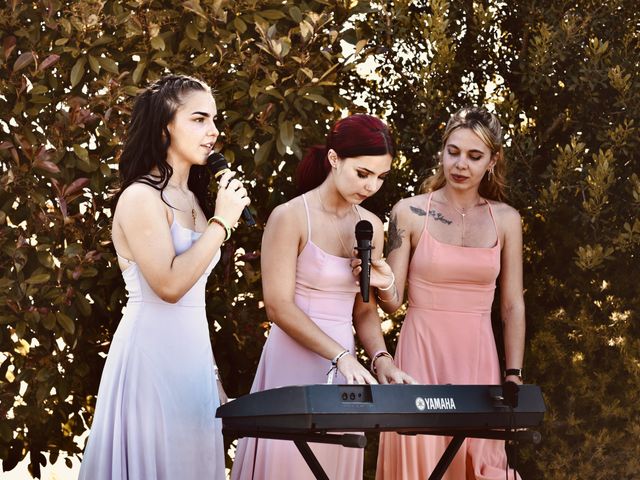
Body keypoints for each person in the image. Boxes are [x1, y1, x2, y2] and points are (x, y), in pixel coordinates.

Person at [79, 74, 250, 480]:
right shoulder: (140, 198)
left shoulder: (195, 200)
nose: (213, 131)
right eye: (199, 119)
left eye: (214, 120)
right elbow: (170, 286)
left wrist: (213, 377)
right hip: (149, 361)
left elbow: (196, 304)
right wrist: (223, 224)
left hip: (192, 366)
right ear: (164, 127)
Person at [231, 114, 415, 480]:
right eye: (363, 173)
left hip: (345, 368)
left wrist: (381, 359)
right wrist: (341, 355)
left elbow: (364, 312)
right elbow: (278, 306)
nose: (371, 186)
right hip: (293, 360)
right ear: (334, 159)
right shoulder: (290, 217)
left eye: (380, 177)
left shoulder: (372, 226)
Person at [372, 107, 525, 479]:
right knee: (421, 463)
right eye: (453, 151)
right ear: (442, 151)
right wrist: (381, 281)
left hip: (478, 358)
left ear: (493, 160)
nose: (461, 164)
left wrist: (514, 373)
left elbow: (511, 304)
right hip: (420, 354)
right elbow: (392, 305)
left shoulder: (505, 219)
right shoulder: (407, 213)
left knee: (481, 464)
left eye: (475, 156)